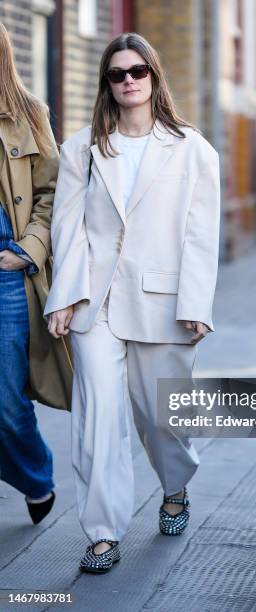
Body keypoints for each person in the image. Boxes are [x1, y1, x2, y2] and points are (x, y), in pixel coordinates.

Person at [44, 32, 220, 574]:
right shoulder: (83, 148)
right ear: (106, 83)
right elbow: (66, 227)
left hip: (164, 302)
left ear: (154, 76)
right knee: (97, 419)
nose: (128, 81)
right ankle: (102, 534)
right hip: (93, 305)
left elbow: (200, 232)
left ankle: (175, 488)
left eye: (137, 71)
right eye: (117, 74)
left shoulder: (192, 147)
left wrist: (196, 303)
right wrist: (64, 297)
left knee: (162, 417)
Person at [0, 23, 72, 525]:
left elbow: (53, 194)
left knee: (5, 404)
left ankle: (34, 475)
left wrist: (27, 250)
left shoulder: (28, 115)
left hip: (6, 275)